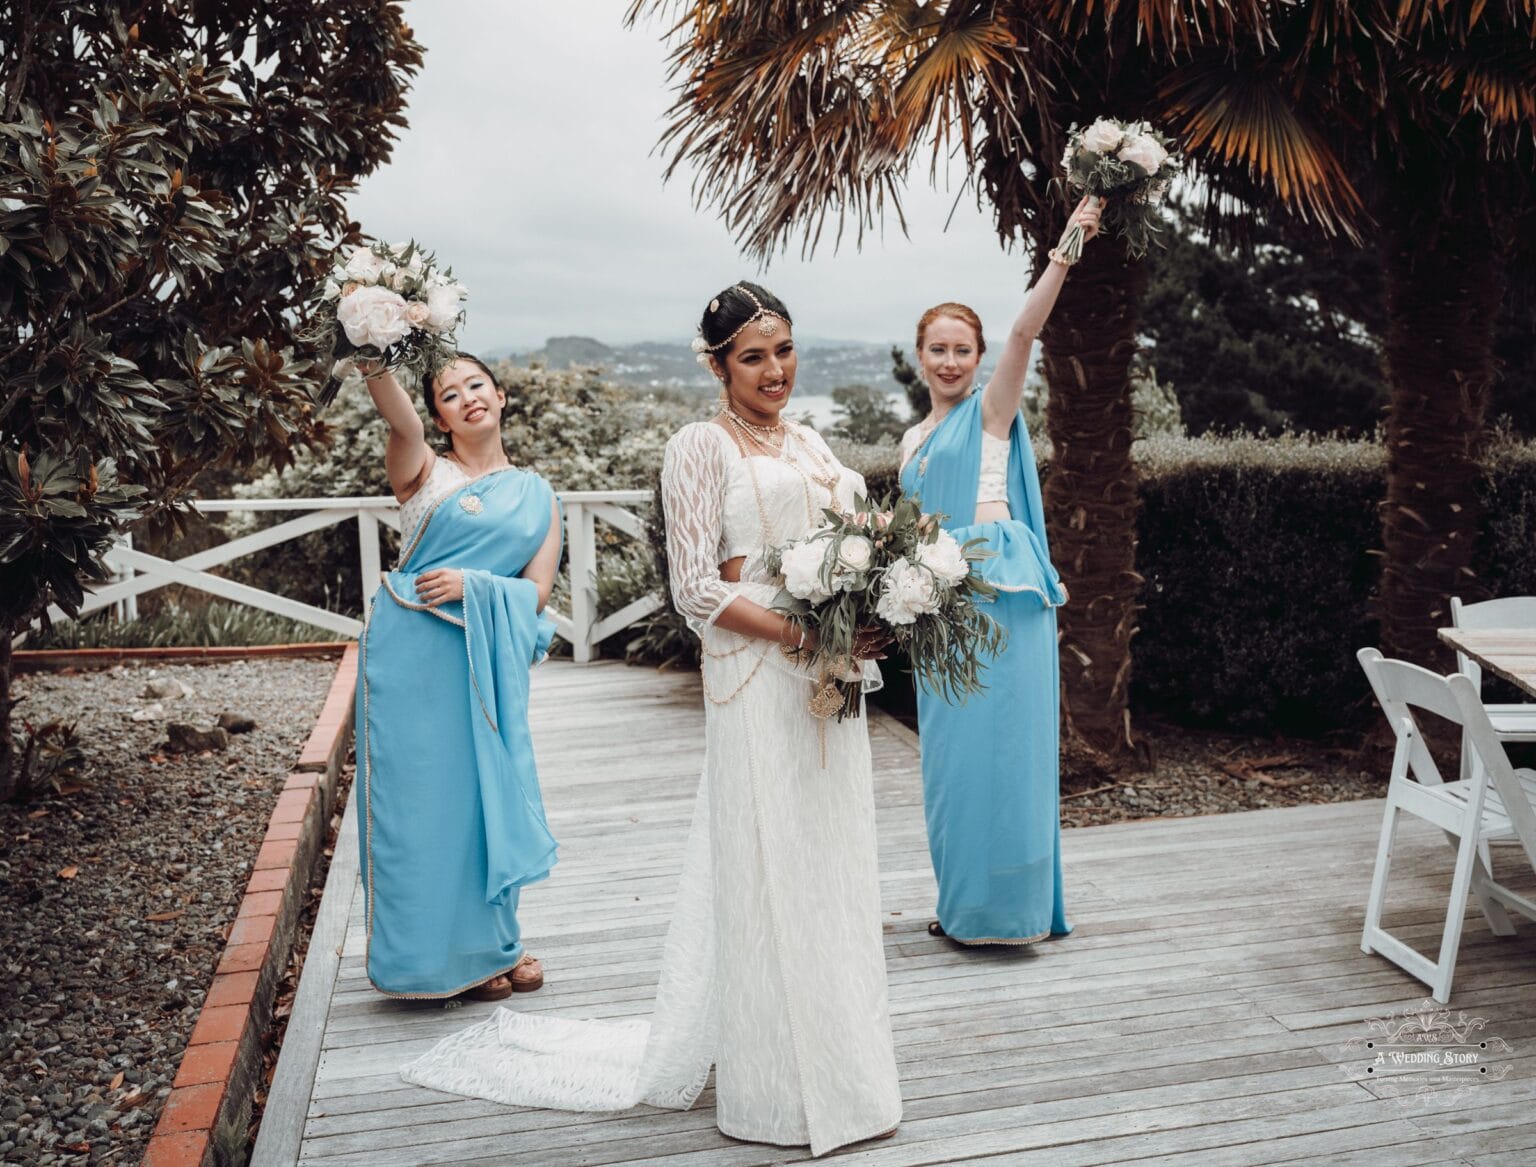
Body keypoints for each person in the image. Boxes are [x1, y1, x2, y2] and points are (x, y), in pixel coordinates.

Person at [401, 284, 902, 1158]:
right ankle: (776, 1091)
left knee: (834, 866)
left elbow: (855, 538)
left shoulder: (814, 442)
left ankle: (850, 1071)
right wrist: (798, 629)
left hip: (833, 674)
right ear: (717, 364)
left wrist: (887, 600)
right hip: (757, 676)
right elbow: (698, 587)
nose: (774, 369)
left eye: (783, 349)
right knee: (767, 865)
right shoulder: (696, 445)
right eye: (752, 355)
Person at [899, 196, 1101, 946]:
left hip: (1000, 592)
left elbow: (1026, 329)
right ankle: (963, 907)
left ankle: (1012, 912)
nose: (951, 361)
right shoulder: (912, 439)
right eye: (938, 349)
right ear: (919, 355)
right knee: (952, 765)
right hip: (936, 604)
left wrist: (1065, 248)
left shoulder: (990, 412)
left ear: (980, 358)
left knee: (1009, 750)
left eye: (963, 349)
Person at [353, 354, 563, 1000]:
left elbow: (536, 591)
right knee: (419, 808)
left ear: (500, 397)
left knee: (480, 802)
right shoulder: (422, 469)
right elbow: (398, 416)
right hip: (410, 658)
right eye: (449, 393)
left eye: (477, 385)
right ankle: (421, 961)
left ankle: (491, 947)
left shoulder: (538, 495)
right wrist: (372, 352)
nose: (467, 397)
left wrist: (473, 585)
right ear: (438, 417)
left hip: (481, 660)